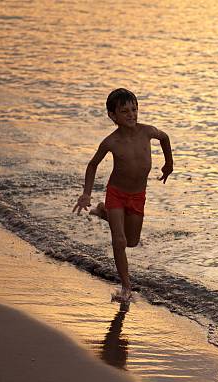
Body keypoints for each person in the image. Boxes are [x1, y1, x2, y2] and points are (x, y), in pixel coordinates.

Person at [72, 88, 173, 302]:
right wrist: (86, 193)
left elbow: (165, 138)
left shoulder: (147, 131)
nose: (131, 114)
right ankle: (126, 287)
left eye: (134, 109)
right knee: (119, 241)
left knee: (132, 242)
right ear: (113, 116)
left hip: (137, 195)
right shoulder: (111, 142)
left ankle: (103, 212)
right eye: (125, 111)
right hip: (116, 193)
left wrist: (169, 164)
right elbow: (92, 165)